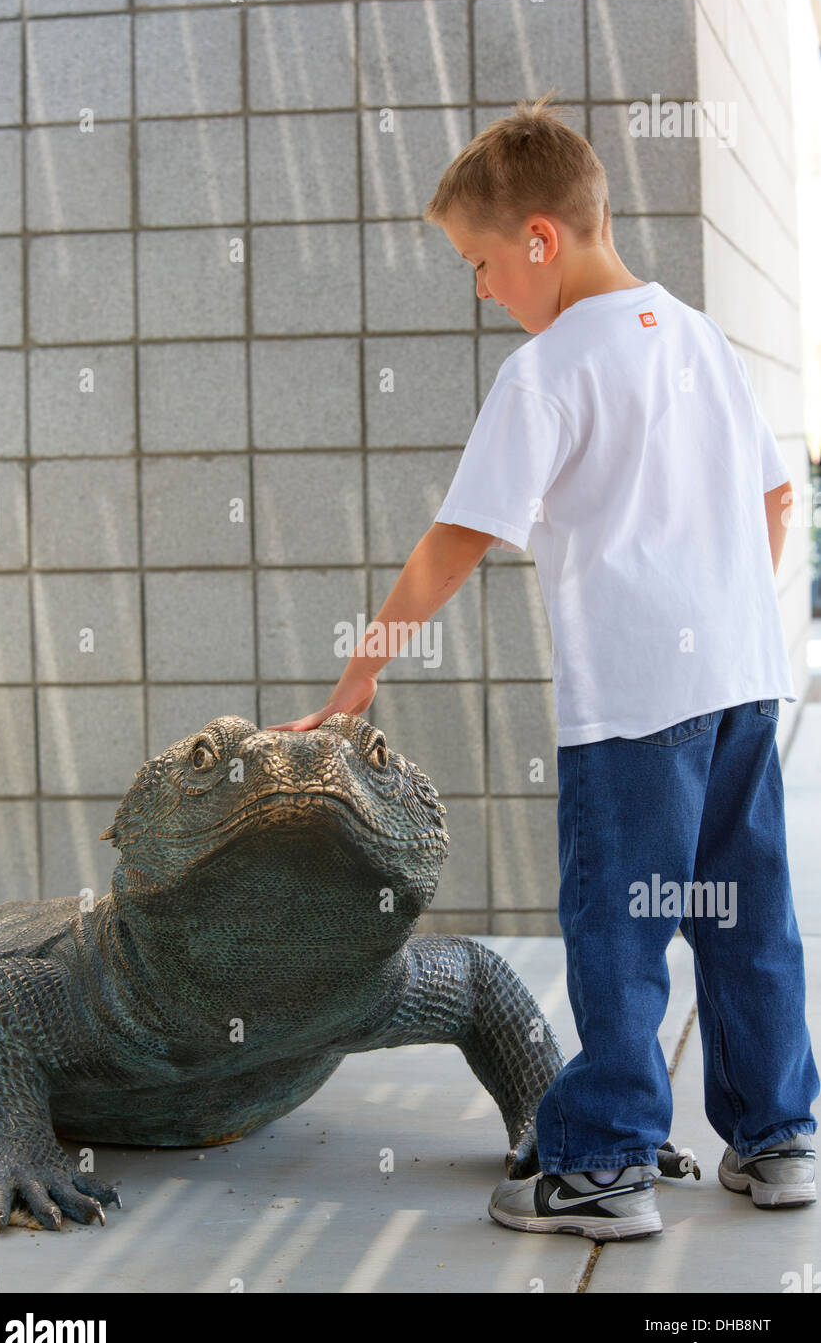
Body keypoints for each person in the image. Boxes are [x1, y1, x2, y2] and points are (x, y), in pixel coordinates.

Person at [265, 91, 818, 1240]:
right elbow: (774, 494)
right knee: (743, 909)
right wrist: (721, 607)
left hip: (629, 709)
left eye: (478, 262)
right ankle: (776, 1137)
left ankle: (605, 1163)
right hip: (737, 688)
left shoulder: (549, 369)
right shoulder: (701, 335)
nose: (480, 289)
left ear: (538, 239)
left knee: (617, 923)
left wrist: (359, 673)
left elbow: (454, 538)